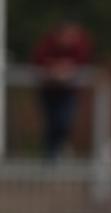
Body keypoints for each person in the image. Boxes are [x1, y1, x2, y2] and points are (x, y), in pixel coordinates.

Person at [32, 21, 94, 160]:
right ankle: (50, 156)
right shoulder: (47, 44)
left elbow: (83, 62)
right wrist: (53, 69)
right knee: (51, 123)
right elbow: (39, 60)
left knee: (65, 122)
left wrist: (68, 70)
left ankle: (59, 149)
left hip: (68, 93)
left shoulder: (80, 45)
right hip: (49, 91)